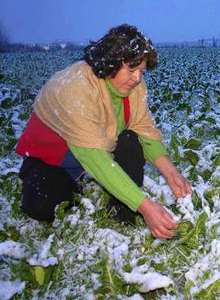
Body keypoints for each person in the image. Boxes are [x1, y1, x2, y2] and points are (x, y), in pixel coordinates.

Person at [15, 24, 191, 240]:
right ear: (111, 60)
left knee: (130, 140)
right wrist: (146, 205)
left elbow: (145, 130)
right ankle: (74, 186)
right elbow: (93, 156)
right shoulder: (76, 87)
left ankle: (121, 213)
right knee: (41, 209)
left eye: (141, 71)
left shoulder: (134, 88)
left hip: (95, 153)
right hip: (53, 160)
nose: (137, 78)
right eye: (131, 68)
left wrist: (171, 173)